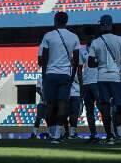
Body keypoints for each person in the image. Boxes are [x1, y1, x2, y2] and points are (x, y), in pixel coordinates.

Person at [38, 12, 81, 144]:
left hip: (50, 74)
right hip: (65, 76)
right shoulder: (74, 37)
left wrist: (44, 76)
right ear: (66, 21)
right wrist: (72, 76)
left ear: (55, 20)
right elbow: (77, 60)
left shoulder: (48, 36)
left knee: (50, 106)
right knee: (63, 106)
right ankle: (56, 135)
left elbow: (43, 59)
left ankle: (52, 133)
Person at [88, 14, 121, 145]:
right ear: (111, 25)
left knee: (105, 109)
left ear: (101, 26)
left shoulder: (96, 42)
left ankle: (110, 136)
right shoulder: (120, 39)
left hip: (102, 77)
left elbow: (90, 63)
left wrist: (100, 63)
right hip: (116, 77)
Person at [80, 27, 99, 143]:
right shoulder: (82, 51)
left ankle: (110, 134)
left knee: (103, 107)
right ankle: (93, 135)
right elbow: (79, 68)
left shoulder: (99, 48)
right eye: (88, 37)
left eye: (92, 37)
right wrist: (81, 85)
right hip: (87, 83)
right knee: (89, 111)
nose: (90, 39)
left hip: (98, 82)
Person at [67, 69, 83, 139]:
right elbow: (80, 81)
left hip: (67, 94)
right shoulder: (77, 71)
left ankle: (68, 133)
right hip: (76, 94)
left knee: (69, 115)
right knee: (74, 115)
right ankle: (72, 133)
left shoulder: (66, 69)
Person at [30, 73, 46, 139]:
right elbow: (37, 88)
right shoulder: (40, 78)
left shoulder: (51, 77)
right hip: (42, 102)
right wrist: (42, 96)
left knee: (50, 119)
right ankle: (34, 133)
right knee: (38, 118)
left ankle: (53, 134)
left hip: (51, 102)